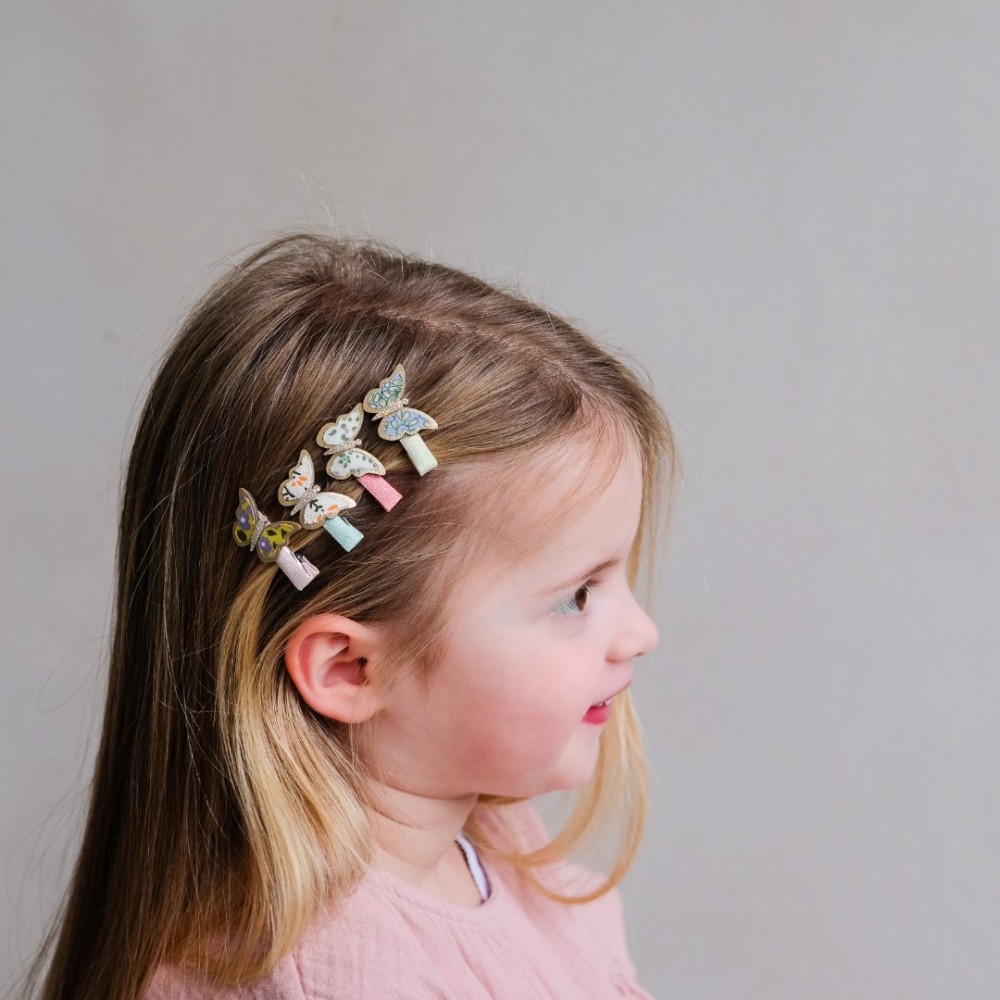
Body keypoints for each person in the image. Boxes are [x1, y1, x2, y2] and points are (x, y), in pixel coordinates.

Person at [29, 233, 675, 999]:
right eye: (577, 595)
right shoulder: (322, 979)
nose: (641, 633)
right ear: (349, 668)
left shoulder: (495, 846)